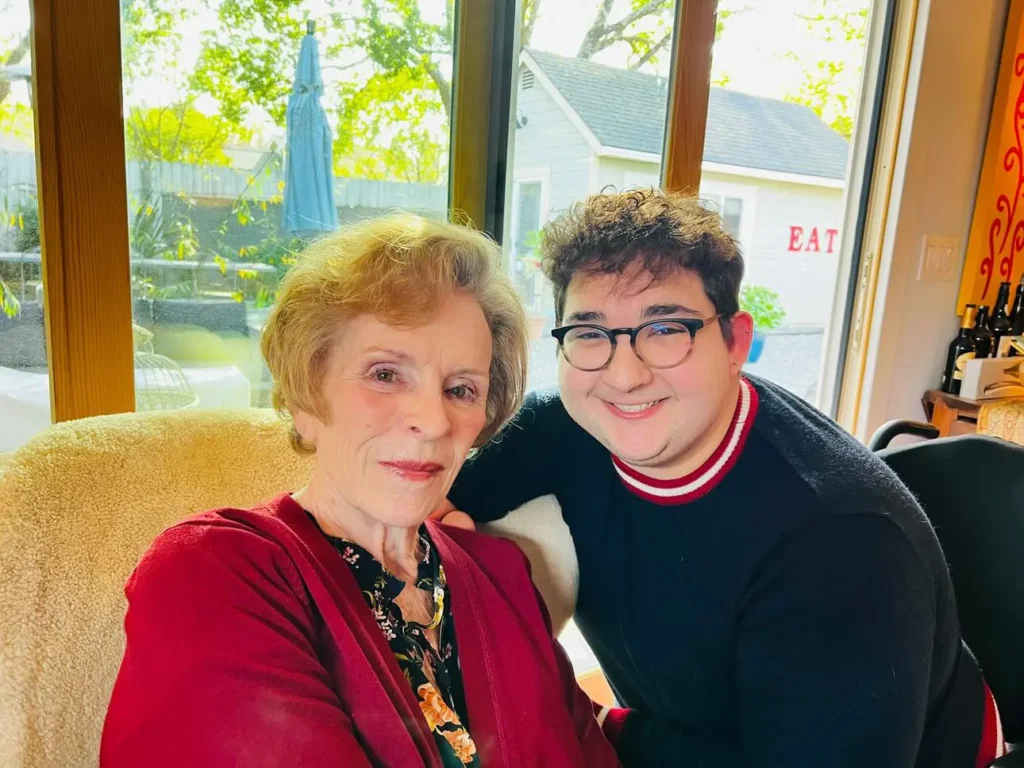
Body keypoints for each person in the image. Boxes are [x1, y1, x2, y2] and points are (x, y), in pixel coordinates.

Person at [444, 190, 1006, 767]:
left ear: (735, 341)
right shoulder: (569, 426)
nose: (624, 374)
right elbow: (426, 496)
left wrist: (580, 721)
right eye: (590, 333)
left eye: (664, 329)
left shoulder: (840, 547)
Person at [100, 215, 619, 768]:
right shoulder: (212, 572)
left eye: (461, 389)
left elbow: (587, 740)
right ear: (306, 397)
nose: (432, 419)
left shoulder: (500, 572)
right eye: (385, 374)